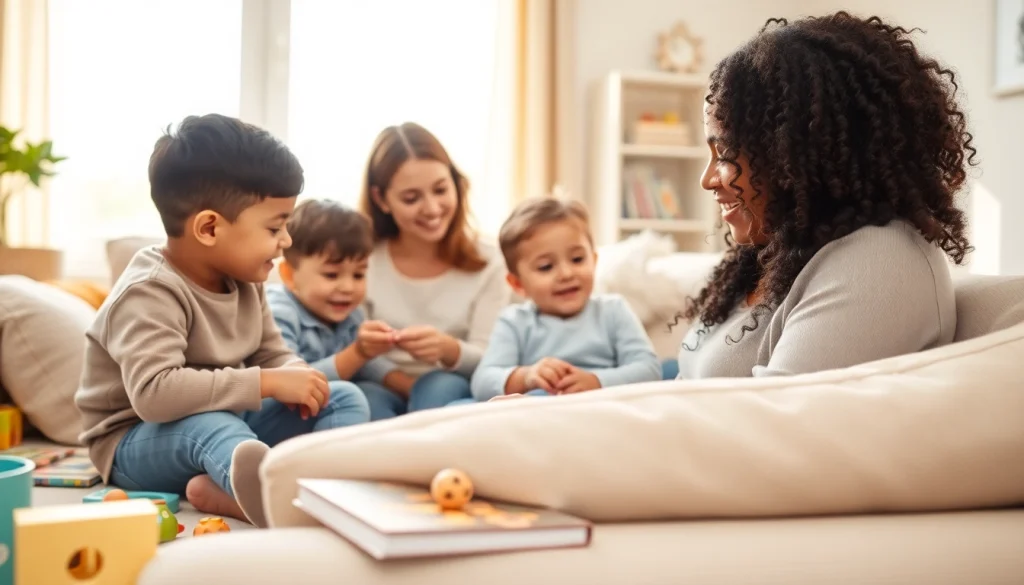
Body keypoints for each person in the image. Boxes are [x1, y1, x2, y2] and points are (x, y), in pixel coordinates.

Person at [74, 114, 370, 529]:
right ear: (210, 227)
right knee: (213, 426)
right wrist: (266, 383)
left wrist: (294, 373)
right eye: (275, 227)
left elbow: (271, 350)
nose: (286, 242)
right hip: (136, 443)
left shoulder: (247, 280)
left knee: (342, 397)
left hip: (227, 418)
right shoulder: (149, 291)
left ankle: (323, 490)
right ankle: (270, 499)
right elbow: (155, 395)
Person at [673, 12, 975, 379]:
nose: (707, 180)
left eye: (724, 153)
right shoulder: (775, 254)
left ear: (793, 153)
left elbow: (776, 424)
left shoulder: (880, 260)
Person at [356, 122, 511, 418]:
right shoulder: (362, 262)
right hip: (380, 382)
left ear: (456, 183)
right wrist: (402, 382)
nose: (432, 208)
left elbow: (492, 359)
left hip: (449, 384)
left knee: (438, 387)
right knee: (365, 400)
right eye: (411, 198)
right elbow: (351, 346)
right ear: (381, 199)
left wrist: (448, 349)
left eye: (440, 190)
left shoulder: (490, 263)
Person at [470, 197, 661, 401]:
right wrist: (526, 376)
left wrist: (596, 381)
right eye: (546, 267)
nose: (566, 273)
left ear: (594, 261)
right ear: (518, 284)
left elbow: (649, 369)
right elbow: (482, 382)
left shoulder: (613, 310)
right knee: (460, 405)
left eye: (577, 259)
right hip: (540, 408)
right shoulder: (515, 321)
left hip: (601, 406)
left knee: (671, 369)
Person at [267, 199, 414, 420]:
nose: (348, 287)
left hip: (327, 405)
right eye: (331, 275)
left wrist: (412, 387)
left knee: (375, 393)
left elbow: (369, 365)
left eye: (358, 275)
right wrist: (357, 353)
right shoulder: (279, 313)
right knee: (351, 395)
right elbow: (294, 381)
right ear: (289, 275)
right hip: (280, 411)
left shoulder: (351, 315)